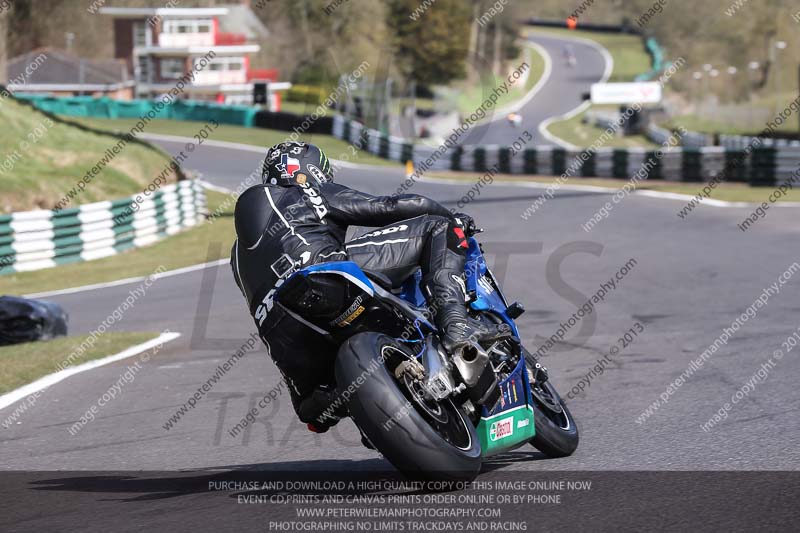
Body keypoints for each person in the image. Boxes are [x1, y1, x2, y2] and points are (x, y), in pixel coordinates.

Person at [231, 141, 491, 432]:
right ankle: (455, 325)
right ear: (313, 169)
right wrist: (451, 217)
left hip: (285, 340)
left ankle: (348, 398)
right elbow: (388, 207)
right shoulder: (305, 192)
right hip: (324, 280)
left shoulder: (236, 257)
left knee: (313, 410)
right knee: (438, 228)